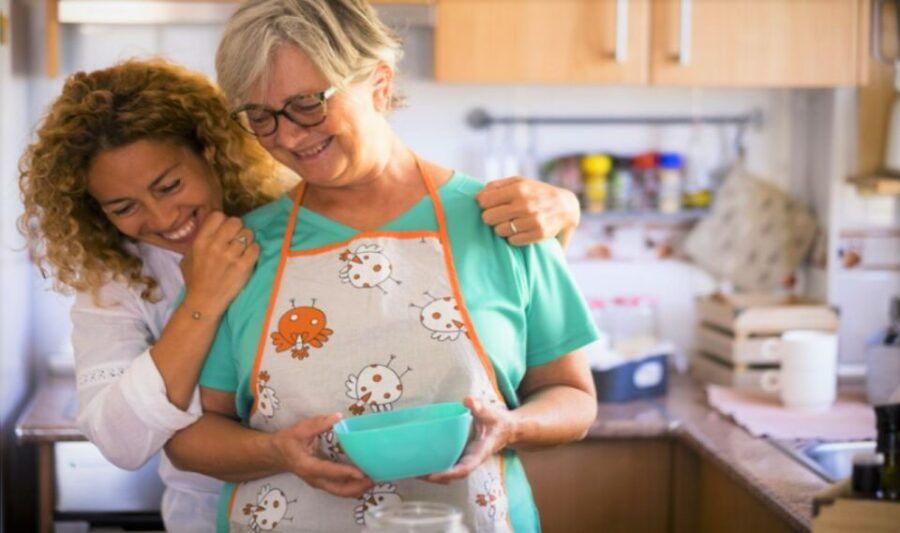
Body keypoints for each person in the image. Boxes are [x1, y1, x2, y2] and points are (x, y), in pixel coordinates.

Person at [17, 58, 583, 531]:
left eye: (170, 185)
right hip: (212, 510)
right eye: (124, 207)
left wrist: (566, 211)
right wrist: (204, 299)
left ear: (210, 152)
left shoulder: (290, 223)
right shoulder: (115, 281)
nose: (163, 217)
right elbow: (122, 439)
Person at [163, 1, 600, 531]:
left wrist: (511, 427)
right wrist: (280, 453)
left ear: (378, 81)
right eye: (261, 116)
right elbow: (192, 437)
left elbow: (574, 397)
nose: (289, 136)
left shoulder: (505, 220)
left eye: (307, 103)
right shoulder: (242, 248)